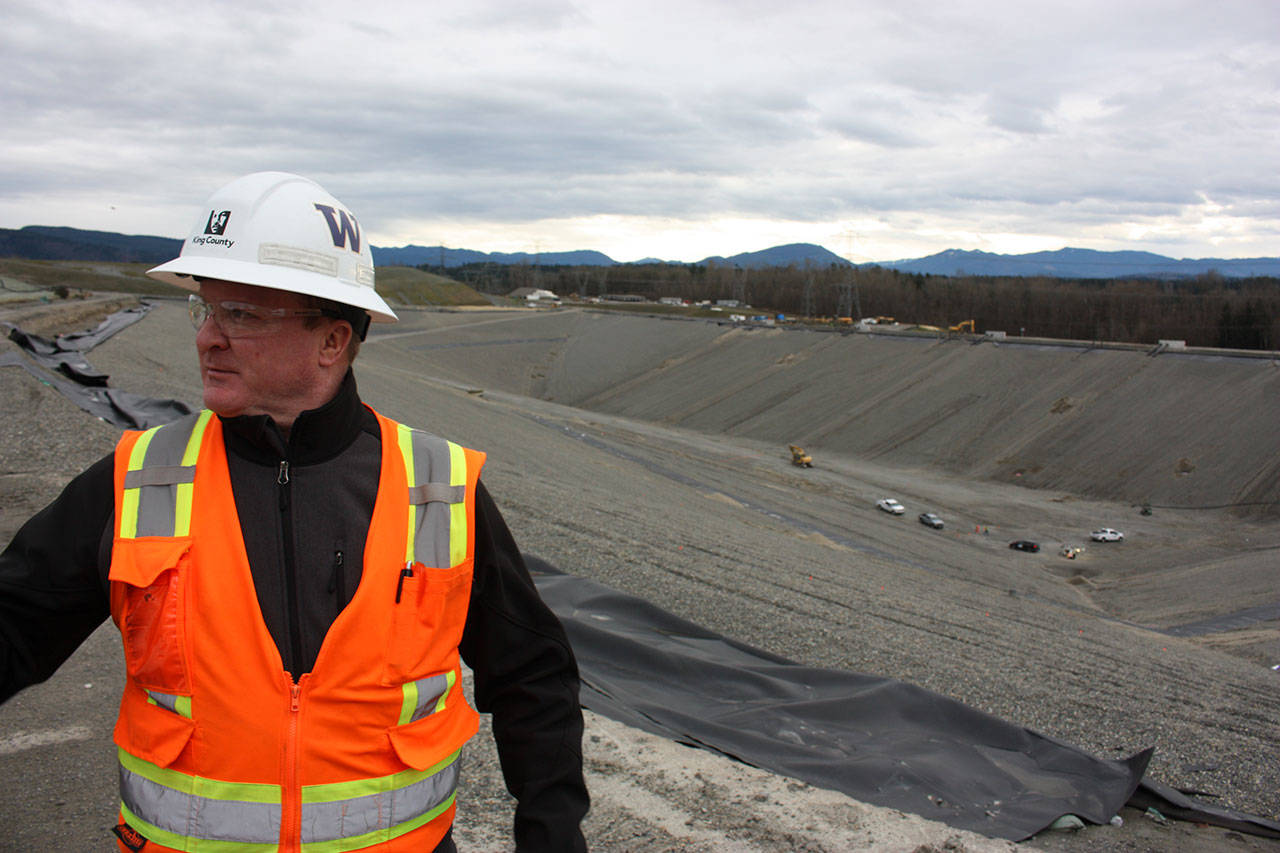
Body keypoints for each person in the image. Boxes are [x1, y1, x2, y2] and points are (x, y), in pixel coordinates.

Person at [0, 172, 589, 852]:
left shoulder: (438, 485)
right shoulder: (138, 481)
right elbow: (13, 627)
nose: (206, 339)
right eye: (206, 310)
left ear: (332, 341)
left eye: (241, 315)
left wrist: (551, 837)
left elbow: (533, 677)